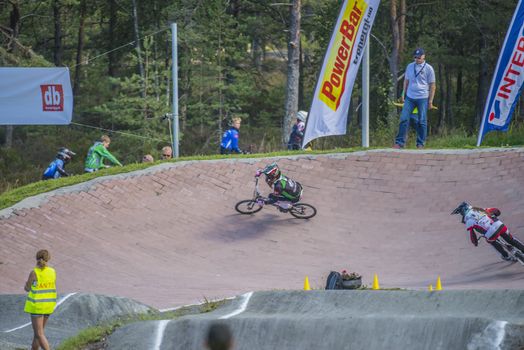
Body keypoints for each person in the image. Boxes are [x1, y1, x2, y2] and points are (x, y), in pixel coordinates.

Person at [451, 201, 524, 261]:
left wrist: (475, 243)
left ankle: (506, 256)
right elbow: (496, 211)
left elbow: (472, 235)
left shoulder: (468, 221)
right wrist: (495, 215)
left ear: (462, 213)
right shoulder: (478, 209)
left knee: (491, 241)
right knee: (511, 240)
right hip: (499, 225)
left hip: (491, 234)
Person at [394, 47, 436, 149]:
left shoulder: (428, 68)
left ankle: (420, 143)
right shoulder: (410, 66)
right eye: (415, 57)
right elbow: (406, 81)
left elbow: (433, 85)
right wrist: (403, 94)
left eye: (419, 57)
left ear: (423, 56)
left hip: (422, 97)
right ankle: (399, 142)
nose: (417, 59)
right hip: (410, 97)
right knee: (404, 119)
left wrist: (430, 101)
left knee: (421, 121)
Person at [24, 249, 57, 350]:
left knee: (39, 334)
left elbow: (27, 288)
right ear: (48, 259)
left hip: (37, 306)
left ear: (37, 258)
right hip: (48, 305)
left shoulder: (34, 273)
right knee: (38, 334)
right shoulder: (52, 271)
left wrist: (28, 284)